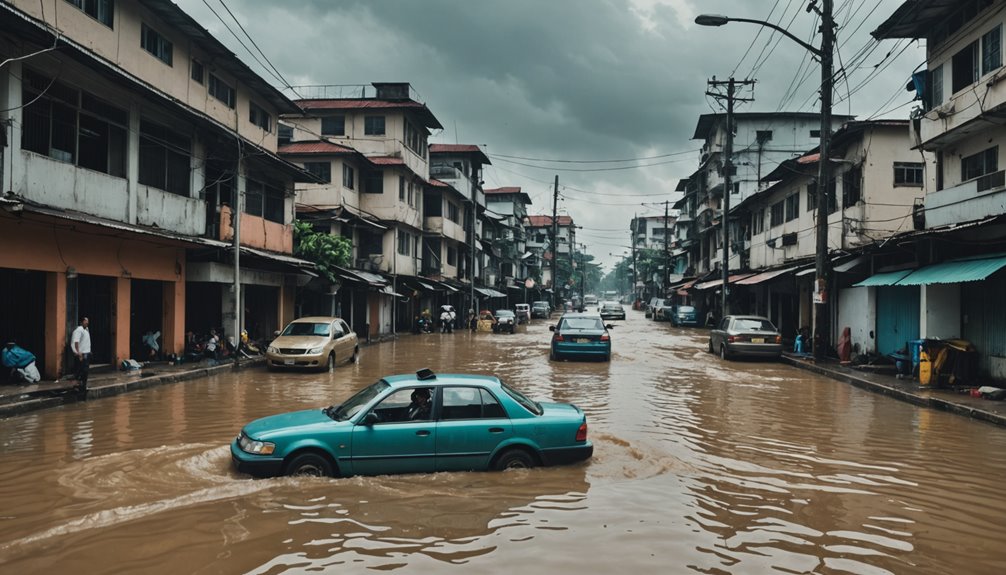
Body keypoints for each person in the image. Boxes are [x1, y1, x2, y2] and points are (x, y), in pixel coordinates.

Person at [70, 316, 91, 394]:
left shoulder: (86, 329)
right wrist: (79, 353)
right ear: (81, 322)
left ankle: (83, 387)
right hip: (81, 354)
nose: (87, 322)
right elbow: (76, 342)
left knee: (85, 371)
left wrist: (89, 351)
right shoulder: (78, 330)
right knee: (81, 371)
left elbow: (85, 341)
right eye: (85, 321)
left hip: (86, 353)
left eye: (87, 321)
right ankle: (78, 387)